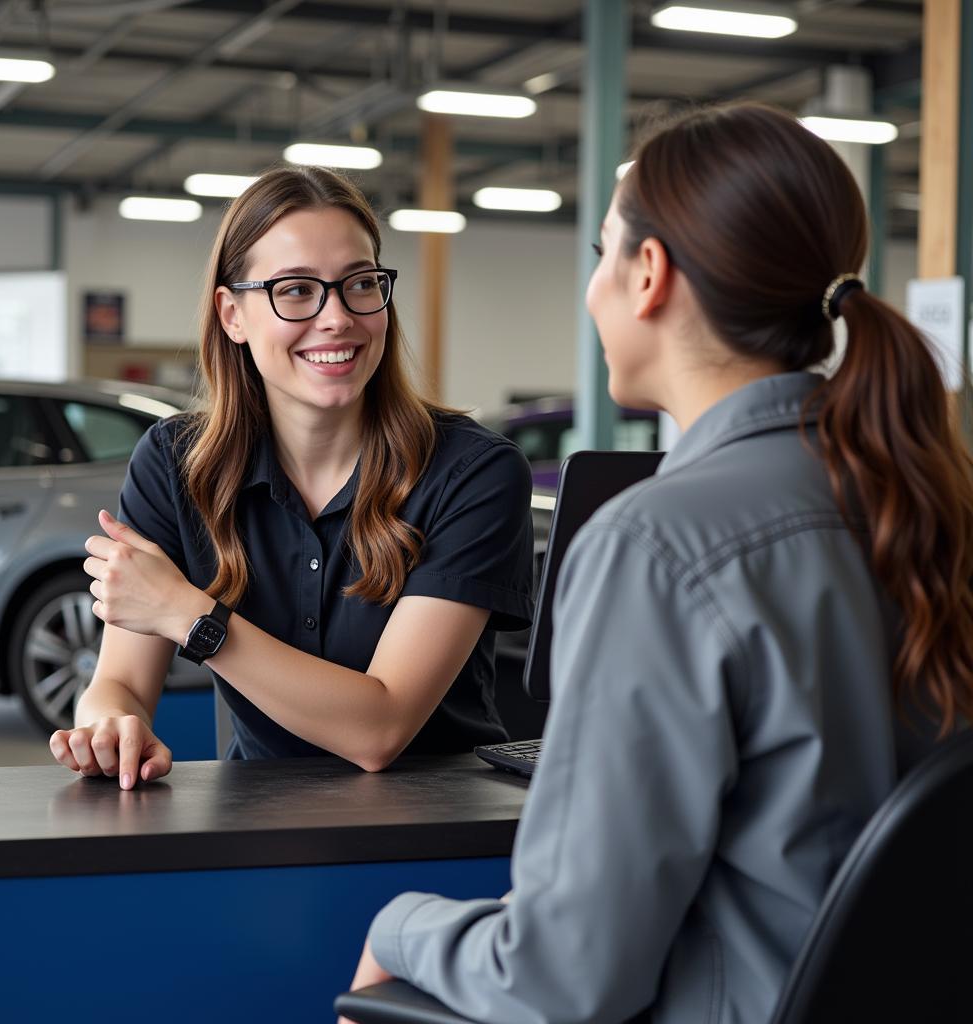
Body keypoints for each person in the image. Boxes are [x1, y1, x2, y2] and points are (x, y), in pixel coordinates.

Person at [341, 102, 973, 1024]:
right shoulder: (926, 501)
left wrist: (400, 927)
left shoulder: (660, 544)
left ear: (648, 275)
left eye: (601, 253)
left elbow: (568, 978)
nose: (591, 288)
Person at [49, 166, 534, 787]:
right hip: (254, 827)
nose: (336, 317)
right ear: (232, 315)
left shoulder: (473, 473)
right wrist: (109, 724)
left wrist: (191, 617)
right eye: (297, 290)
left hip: (439, 831)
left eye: (360, 284)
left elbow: (379, 730)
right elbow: (118, 683)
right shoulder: (176, 465)